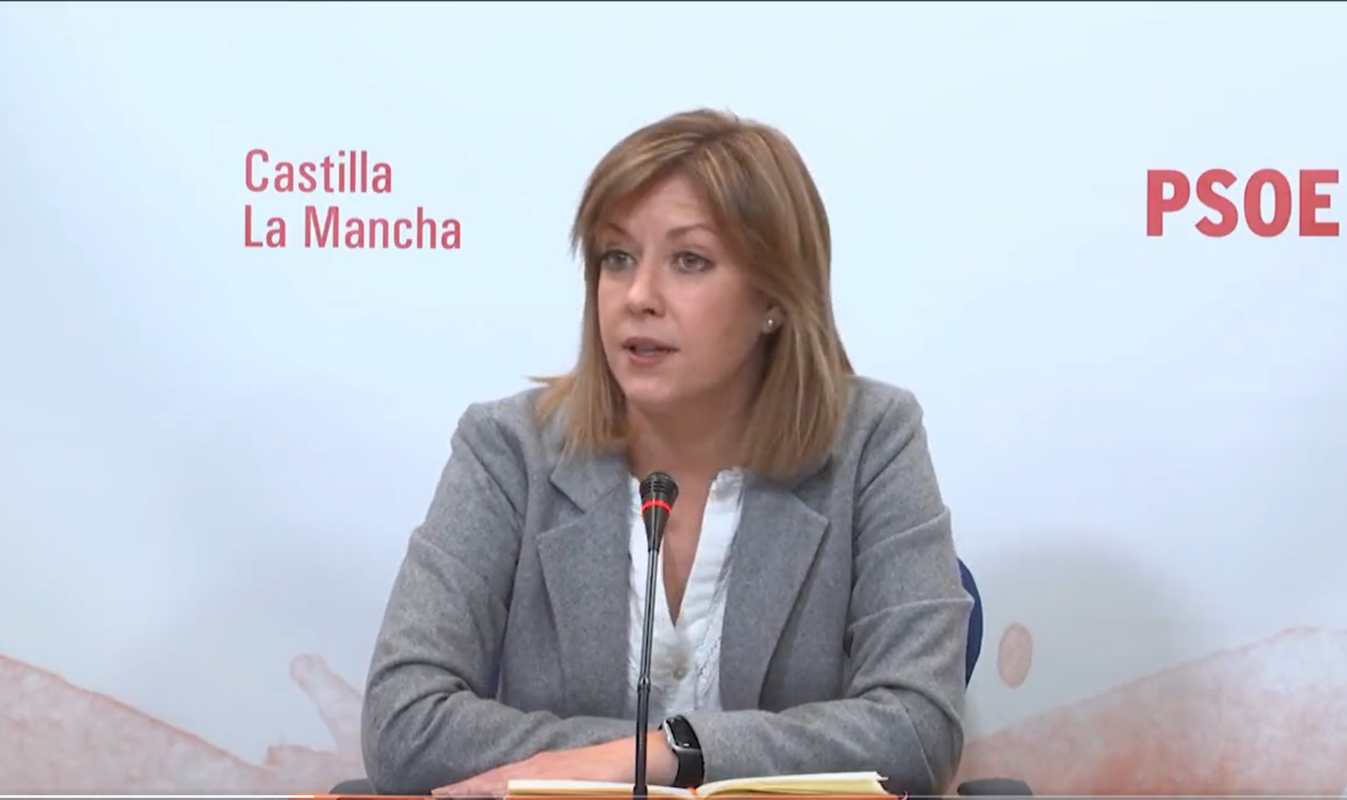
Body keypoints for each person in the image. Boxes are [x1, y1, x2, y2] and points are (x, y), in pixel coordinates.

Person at [360, 108, 972, 797]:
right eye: (616, 258)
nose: (638, 297)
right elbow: (403, 723)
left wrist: (662, 753)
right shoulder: (509, 450)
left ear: (773, 296)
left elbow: (916, 728)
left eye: (689, 261)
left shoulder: (871, 442)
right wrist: (635, 756)